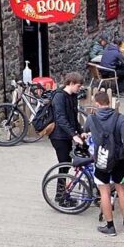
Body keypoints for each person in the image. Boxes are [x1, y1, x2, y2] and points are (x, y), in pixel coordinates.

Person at [87, 90, 124, 236]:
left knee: (104, 192)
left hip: (101, 159)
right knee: (121, 189)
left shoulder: (92, 119)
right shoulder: (120, 118)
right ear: (108, 102)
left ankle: (110, 226)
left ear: (97, 104)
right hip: (117, 159)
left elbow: (85, 131)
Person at [49, 73, 85, 205]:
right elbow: (61, 119)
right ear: (70, 83)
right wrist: (74, 135)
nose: (79, 88)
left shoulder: (73, 97)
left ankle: (63, 194)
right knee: (64, 164)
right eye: (78, 86)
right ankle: (60, 196)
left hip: (66, 135)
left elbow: (73, 118)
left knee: (66, 164)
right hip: (58, 136)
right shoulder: (59, 97)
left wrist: (80, 131)